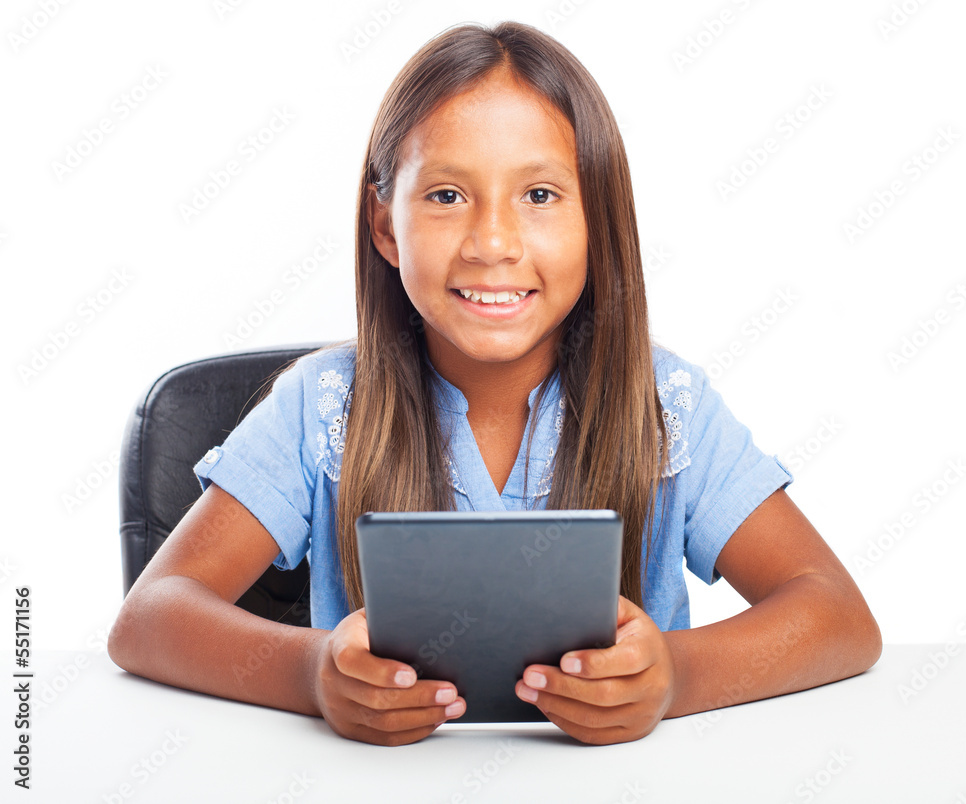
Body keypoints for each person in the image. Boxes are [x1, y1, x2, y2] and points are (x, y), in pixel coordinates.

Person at [108, 20, 881, 747]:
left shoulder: (666, 407)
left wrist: (674, 677)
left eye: (539, 196)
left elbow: (838, 614)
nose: (493, 243)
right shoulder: (322, 406)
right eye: (446, 196)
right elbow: (149, 618)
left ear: (598, 220)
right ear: (385, 225)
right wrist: (312, 674)